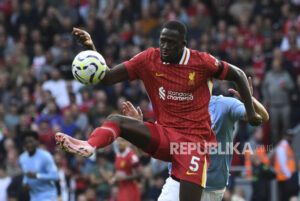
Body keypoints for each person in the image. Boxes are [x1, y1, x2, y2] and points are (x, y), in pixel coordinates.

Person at [55, 20, 262, 201]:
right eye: (162, 40)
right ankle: (90, 145)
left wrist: (251, 112)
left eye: (171, 43)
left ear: (183, 44)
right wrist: (92, 50)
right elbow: (107, 77)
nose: (164, 46)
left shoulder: (201, 62)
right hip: (164, 135)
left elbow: (239, 74)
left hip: (193, 145)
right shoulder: (148, 60)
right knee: (116, 120)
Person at [122, 77, 269, 201]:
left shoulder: (224, 105)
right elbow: (144, 152)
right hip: (179, 183)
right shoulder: (173, 109)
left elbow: (262, 118)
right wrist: (139, 131)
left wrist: (250, 101)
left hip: (212, 189)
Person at [19, 130, 59, 201]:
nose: (29, 144)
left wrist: (37, 176)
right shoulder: (22, 158)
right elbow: (26, 174)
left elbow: (55, 176)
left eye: (31, 141)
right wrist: (24, 183)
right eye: (26, 142)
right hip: (34, 196)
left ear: (36, 142)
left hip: (48, 195)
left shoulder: (45, 156)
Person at [275, 130, 297, 201]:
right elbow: (282, 163)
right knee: (284, 197)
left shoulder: (286, 146)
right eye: (290, 136)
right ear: (285, 136)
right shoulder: (282, 147)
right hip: (284, 177)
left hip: (287, 176)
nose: (291, 138)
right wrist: (289, 175)